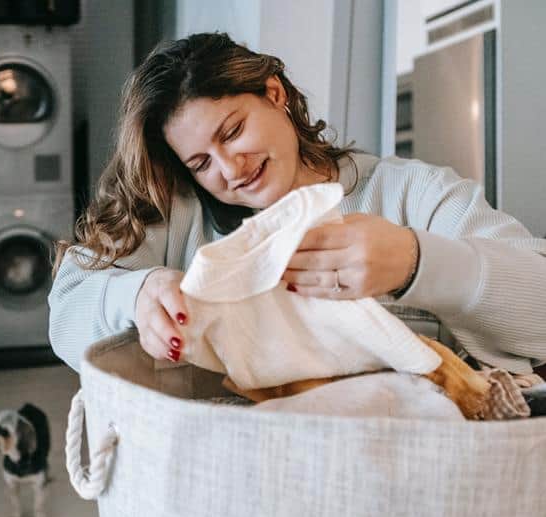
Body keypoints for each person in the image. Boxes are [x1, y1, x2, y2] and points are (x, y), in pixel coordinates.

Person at [48, 32, 546, 376]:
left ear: (274, 92)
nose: (230, 169)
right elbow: (66, 310)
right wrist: (135, 293)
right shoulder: (178, 213)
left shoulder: (412, 194)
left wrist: (417, 262)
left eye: (234, 131)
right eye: (201, 162)